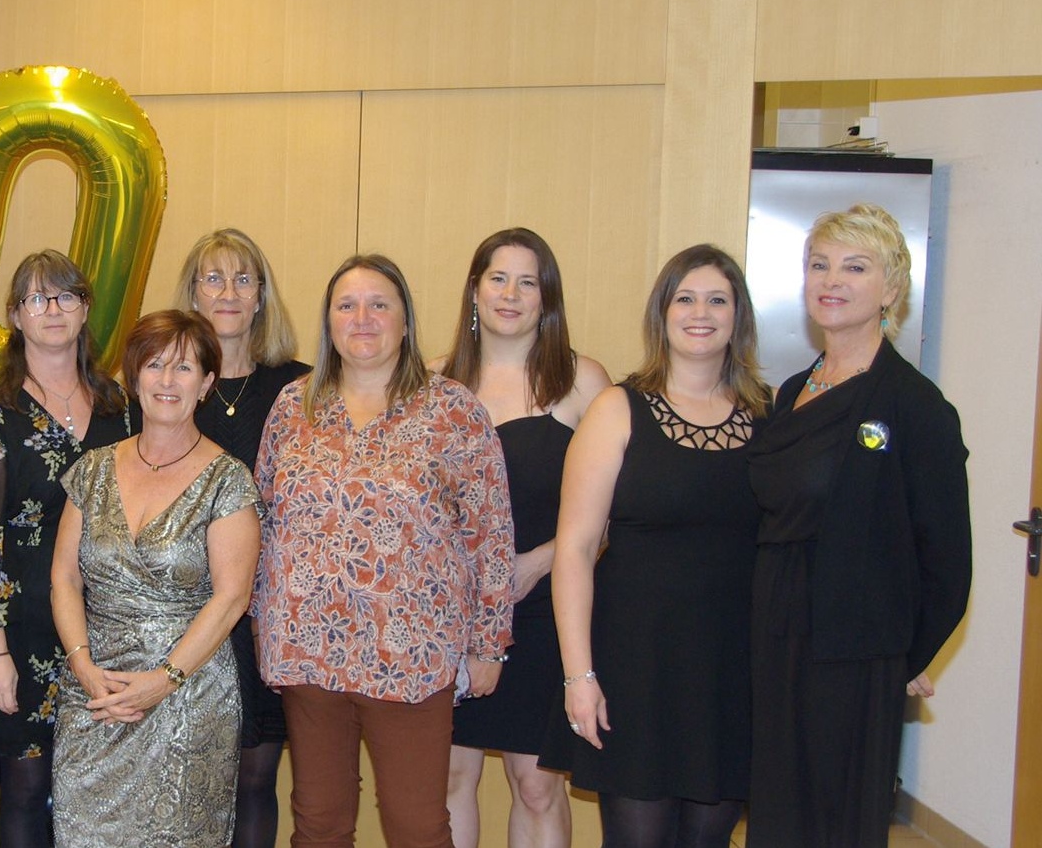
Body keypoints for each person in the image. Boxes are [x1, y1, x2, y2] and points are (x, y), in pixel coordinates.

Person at [256, 255, 514, 848]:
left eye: (379, 304)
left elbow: (491, 535)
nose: (363, 318)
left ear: (405, 320)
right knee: (318, 823)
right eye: (346, 305)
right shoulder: (293, 407)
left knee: (417, 827)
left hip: (411, 653)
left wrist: (488, 644)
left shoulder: (453, 411)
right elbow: (263, 518)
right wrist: (260, 623)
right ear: (329, 322)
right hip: (307, 649)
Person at [746, 205, 970, 848]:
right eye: (820, 264)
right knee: (777, 808)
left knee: (835, 817)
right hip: (776, 630)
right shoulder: (791, 391)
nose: (832, 280)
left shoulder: (916, 405)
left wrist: (904, 653)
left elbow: (947, 559)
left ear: (891, 289)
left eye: (855, 267)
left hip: (855, 649)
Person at [540, 245, 768, 847]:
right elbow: (575, 549)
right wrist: (578, 675)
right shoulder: (618, 409)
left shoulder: (769, 416)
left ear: (738, 317)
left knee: (708, 839)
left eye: (717, 300)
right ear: (662, 313)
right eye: (684, 299)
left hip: (731, 671)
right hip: (635, 667)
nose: (700, 313)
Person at [49, 310, 261, 847]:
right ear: (133, 376)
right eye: (154, 365)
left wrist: (163, 681)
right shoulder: (92, 468)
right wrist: (83, 668)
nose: (167, 380)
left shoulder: (228, 479)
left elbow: (232, 597)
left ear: (206, 384)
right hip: (95, 695)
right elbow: (64, 580)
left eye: (184, 368)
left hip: (186, 699)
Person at [434, 229, 609, 848]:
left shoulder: (582, 382)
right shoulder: (433, 382)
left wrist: (538, 563)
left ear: (547, 297)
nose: (510, 294)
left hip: (545, 606)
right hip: (450, 615)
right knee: (447, 777)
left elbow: (614, 510)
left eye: (527, 282)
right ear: (474, 290)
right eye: (498, 279)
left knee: (537, 785)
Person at [0, 250, 132, 848]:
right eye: (36, 298)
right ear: (15, 316)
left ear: (85, 309)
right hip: (21, 630)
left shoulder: (120, 407)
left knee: (101, 787)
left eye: (66, 296)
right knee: (28, 788)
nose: (53, 309)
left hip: (109, 626)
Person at [172, 228, 308, 848]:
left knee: (255, 777)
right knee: (187, 778)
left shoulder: (302, 388)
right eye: (213, 279)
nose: (228, 293)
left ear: (261, 297)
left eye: (243, 279)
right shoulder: (166, 383)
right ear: (192, 295)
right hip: (180, 610)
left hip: (267, 612)